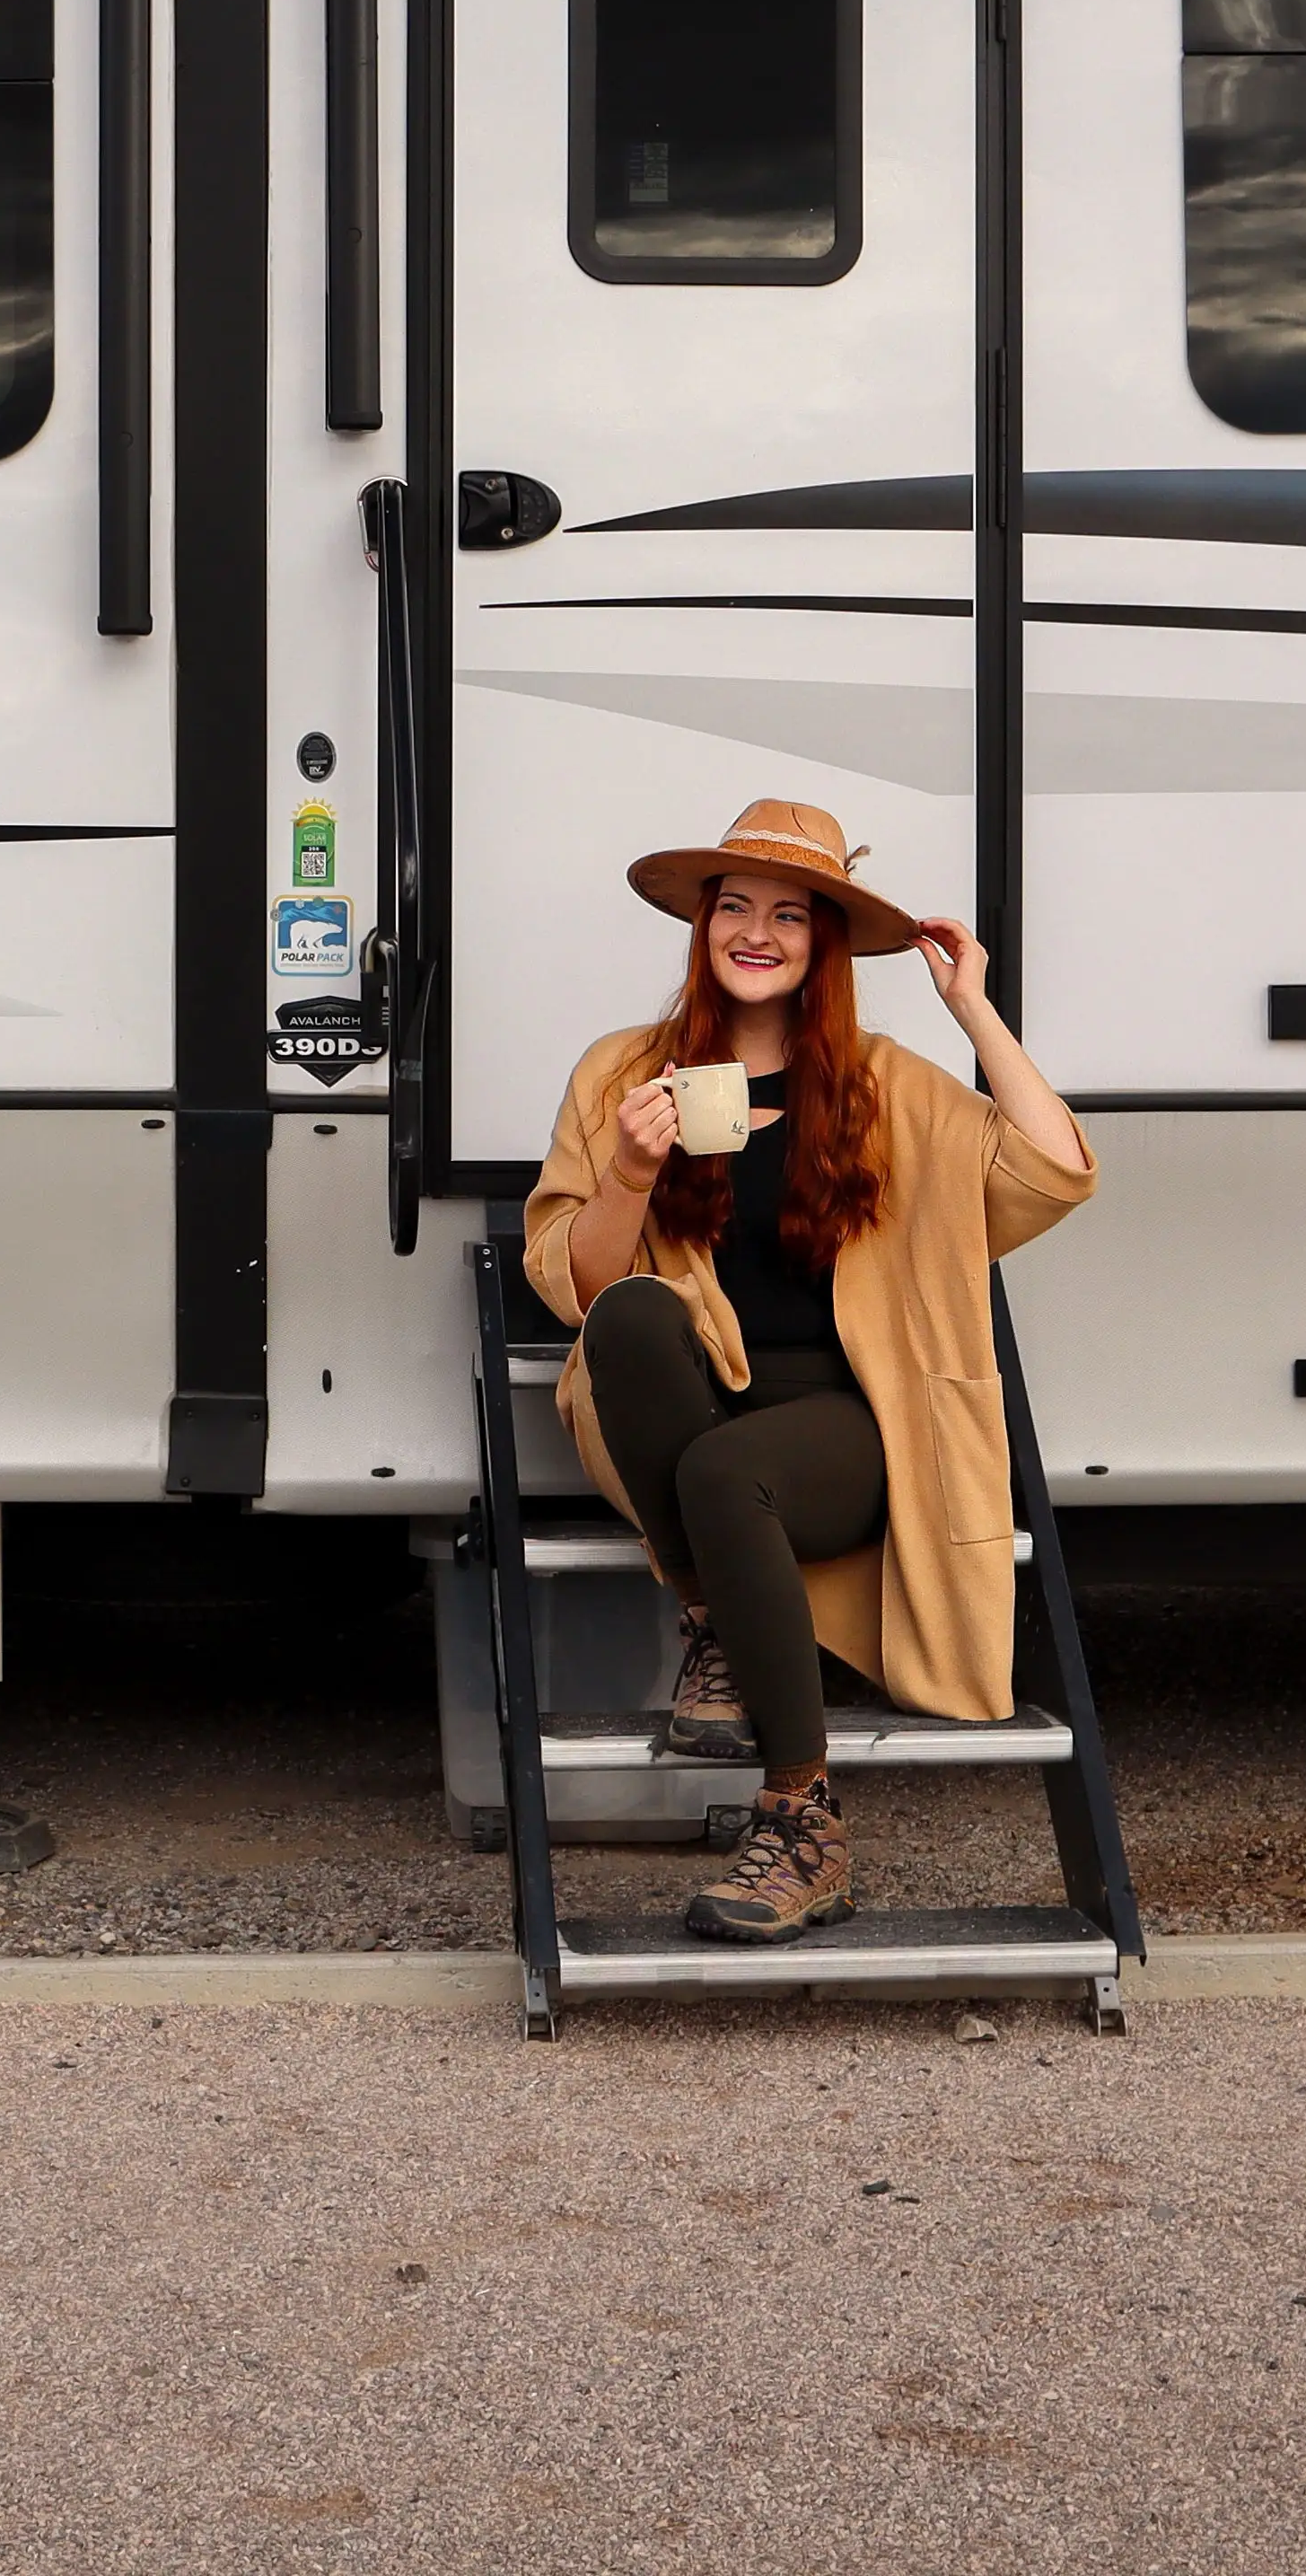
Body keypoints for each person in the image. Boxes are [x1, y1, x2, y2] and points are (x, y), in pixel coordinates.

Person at [521, 798, 1096, 1942]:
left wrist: (972, 1008)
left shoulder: (882, 1085)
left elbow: (1055, 1167)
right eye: (733, 905)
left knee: (732, 1470)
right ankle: (720, 1625)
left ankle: (801, 1815)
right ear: (701, 923)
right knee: (635, 1317)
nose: (756, 931)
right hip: (688, 1400)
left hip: (842, 1423)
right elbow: (578, 1290)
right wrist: (629, 1171)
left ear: (821, 944)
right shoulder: (621, 1073)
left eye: (789, 914)